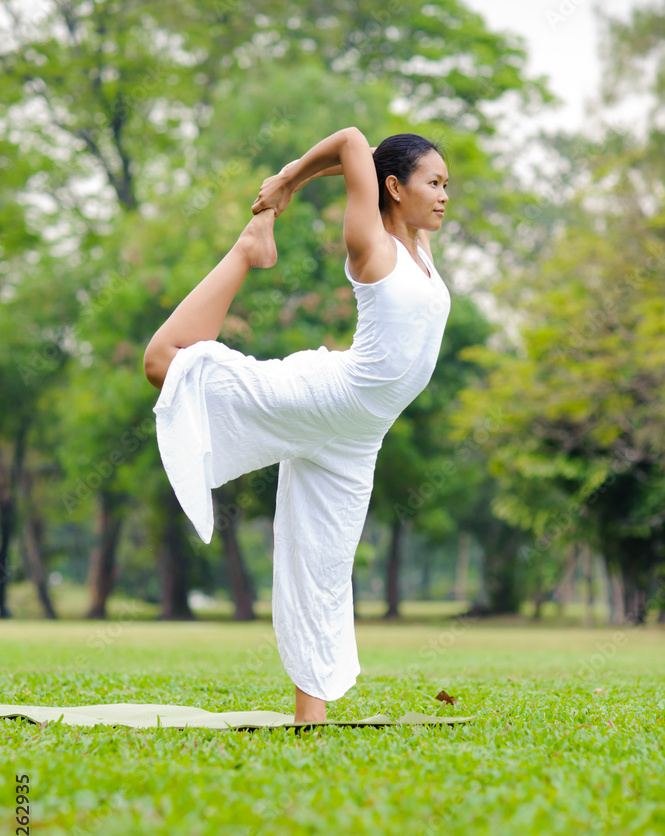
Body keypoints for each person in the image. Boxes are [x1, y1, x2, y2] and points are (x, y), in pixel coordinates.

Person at [143, 127, 451, 724]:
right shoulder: (374, 246)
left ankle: (310, 718)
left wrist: (301, 180)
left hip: (361, 436)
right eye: (433, 183)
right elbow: (354, 142)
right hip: (328, 397)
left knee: (322, 566)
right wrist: (288, 180)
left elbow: (368, 159)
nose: (444, 196)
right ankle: (245, 251)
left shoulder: (419, 249)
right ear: (393, 188)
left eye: (446, 185)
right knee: (165, 362)